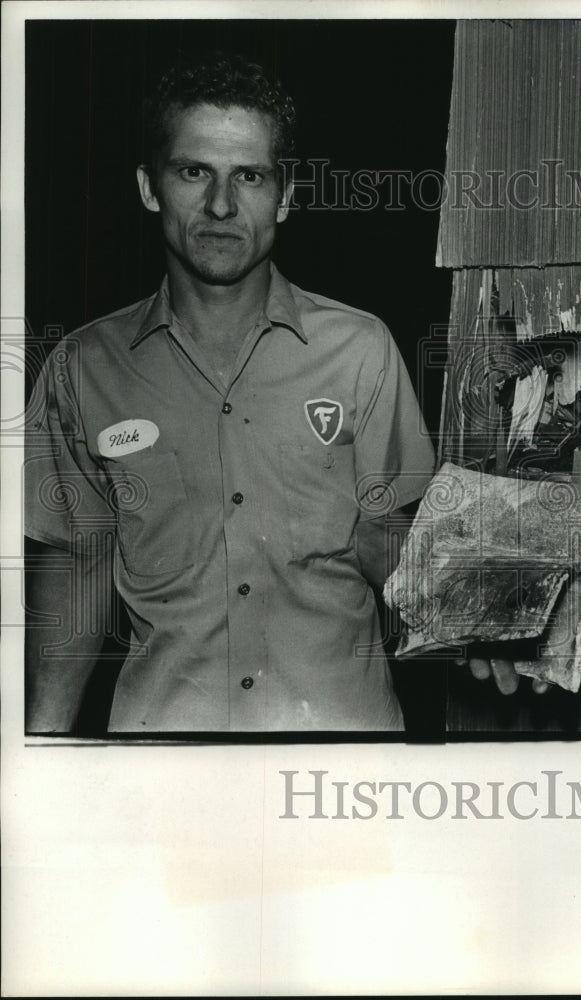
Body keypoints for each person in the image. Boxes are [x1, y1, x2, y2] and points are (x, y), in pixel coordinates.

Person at [24, 51, 538, 735]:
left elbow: (394, 541)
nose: (220, 205)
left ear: (287, 194)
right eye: (193, 171)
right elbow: (77, 569)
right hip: (162, 764)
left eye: (251, 177)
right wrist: (39, 758)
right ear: (150, 187)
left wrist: (483, 618)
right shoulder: (82, 368)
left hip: (340, 763)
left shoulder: (361, 350)